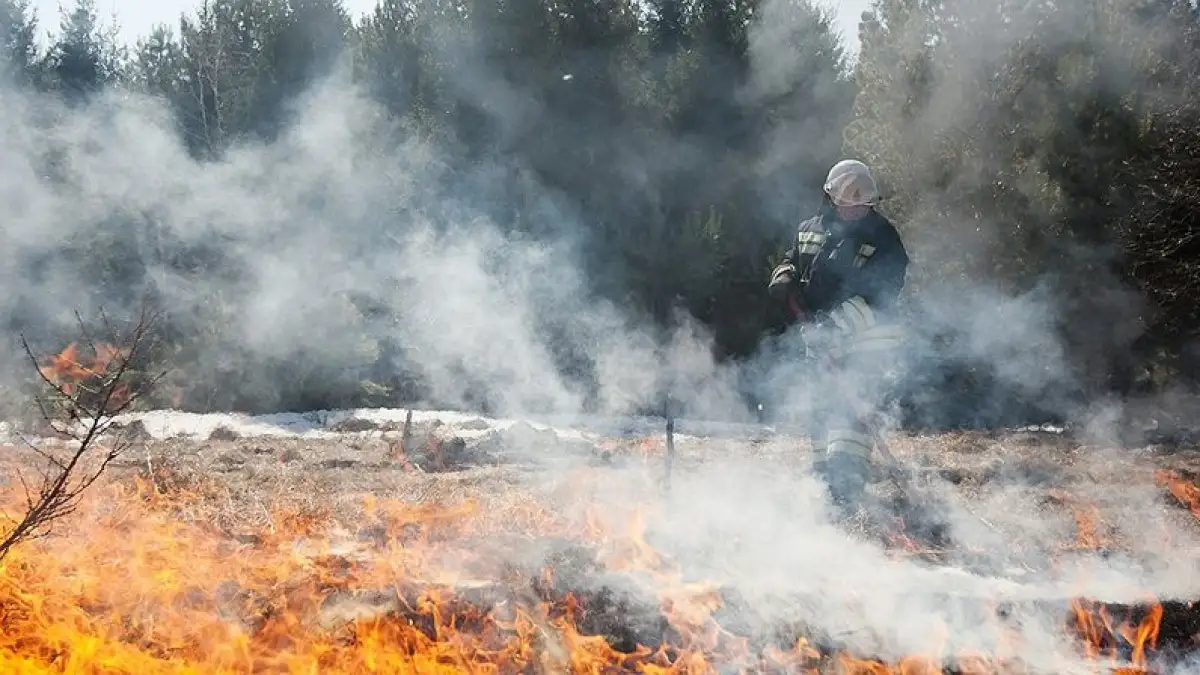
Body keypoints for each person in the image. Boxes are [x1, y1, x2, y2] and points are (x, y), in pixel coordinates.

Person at [767, 159, 910, 513]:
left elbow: (878, 296)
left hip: (865, 343)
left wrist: (831, 330)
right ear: (831, 198)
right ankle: (825, 481)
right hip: (817, 339)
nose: (854, 210)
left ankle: (847, 486)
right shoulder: (809, 229)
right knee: (819, 409)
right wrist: (783, 275)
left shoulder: (885, 239)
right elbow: (792, 259)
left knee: (849, 417)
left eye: (862, 205)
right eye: (847, 204)